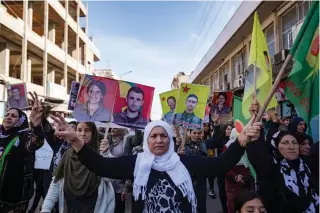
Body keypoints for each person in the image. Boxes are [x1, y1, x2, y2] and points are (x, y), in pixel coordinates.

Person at [50, 114, 262, 213]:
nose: (159, 140)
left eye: (163, 136)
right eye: (154, 136)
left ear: (170, 140)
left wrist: (242, 141)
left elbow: (219, 165)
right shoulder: (137, 163)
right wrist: (76, 140)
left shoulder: (185, 163)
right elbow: (101, 166)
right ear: (146, 140)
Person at [41, 122, 115, 213]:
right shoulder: (68, 154)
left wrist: (106, 153)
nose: (82, 134)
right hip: (70, 208)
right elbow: (56, 182)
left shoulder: (101, 152)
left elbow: (111, 178)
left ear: (93, 133)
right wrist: (46, 208)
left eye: (87, 130)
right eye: (79, 130)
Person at [0, 95, 45, 212]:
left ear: (21, 121)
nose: (9, 117)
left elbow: (37, 142)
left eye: (14, 116)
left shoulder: (24, 137)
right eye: (7, 115)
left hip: (14, 198)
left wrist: (36, 125)